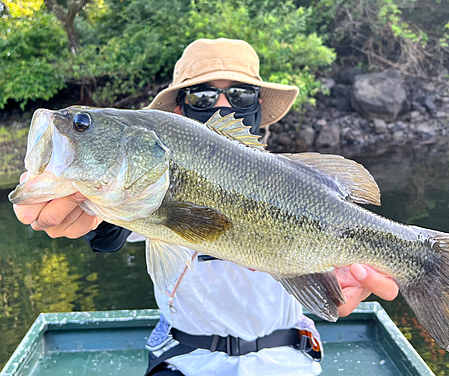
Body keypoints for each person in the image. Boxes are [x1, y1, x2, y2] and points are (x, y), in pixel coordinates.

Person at [13, 38, 399, 376]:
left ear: (259, 107)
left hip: (286, 361)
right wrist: (85, 211)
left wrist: (346, 269)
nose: (223, 104)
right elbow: (110, 229)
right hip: (186, 362)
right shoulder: (144, 186)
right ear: (178, 111)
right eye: (203, 96)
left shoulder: (300, 184)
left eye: (241, 95)